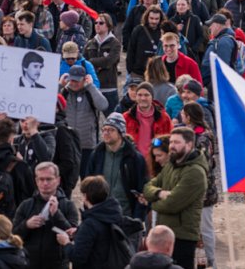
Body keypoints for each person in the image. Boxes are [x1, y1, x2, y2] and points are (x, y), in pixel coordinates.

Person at [143, 127, 208, 269]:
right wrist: (159, 194)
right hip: (165, 232)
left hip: (182, 237)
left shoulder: (195, 172)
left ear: (189, 144)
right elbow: (148, 187)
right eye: (171, 141)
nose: (172, 145)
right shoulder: (171, 165)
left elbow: (172, 204)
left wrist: (152, 203)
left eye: (177, 142)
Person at [11, 162, 80, 269]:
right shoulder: (26, 205)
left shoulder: (68, 205)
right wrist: (27, 225)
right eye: (41, 179)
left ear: (58, 180)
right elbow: (13, 235)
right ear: (36, 181)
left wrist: (56, 214)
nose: (45, 183)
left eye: (49, 179)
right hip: (29, 264)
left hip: (57, 264)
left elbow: (72, 235)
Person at [83, 112, 147, 219]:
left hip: (125, 216)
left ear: (121, 133)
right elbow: (88, 185)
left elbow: (141, 189)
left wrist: (137, 218)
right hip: (100, 214)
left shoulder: (135, 158)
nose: (106, 133)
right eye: (104, 129)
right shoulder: (97, 154)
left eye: (111, 130)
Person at [54, 176, 124, 267]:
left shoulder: (89, 224)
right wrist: (78, 232)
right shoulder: (112, 213)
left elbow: (77, 257)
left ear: (85, 196)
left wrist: (66, 243)